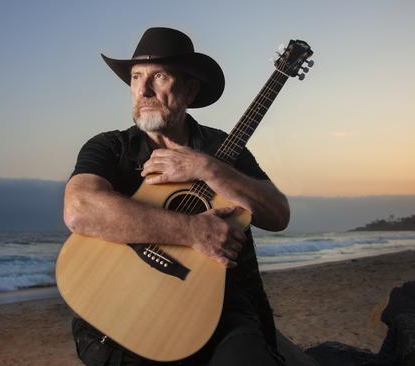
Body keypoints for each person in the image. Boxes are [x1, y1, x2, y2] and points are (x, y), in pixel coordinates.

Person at [64, 27, 290, 366]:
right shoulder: (111, 147)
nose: (142, 89)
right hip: (117, 308)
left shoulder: (222, 147)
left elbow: (278, 215)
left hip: (219, 309)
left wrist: (207, 168)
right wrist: (193, 231)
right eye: (136, 77)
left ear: (189, 89)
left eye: (159, 76)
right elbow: (80, 209)